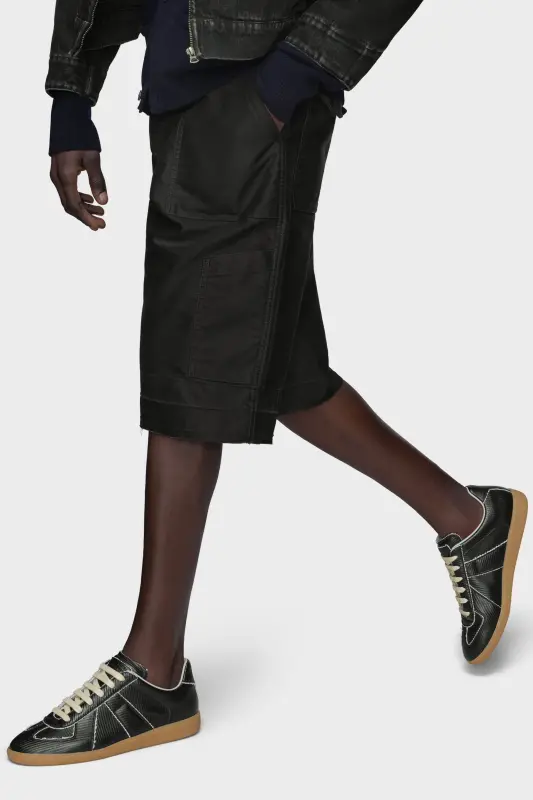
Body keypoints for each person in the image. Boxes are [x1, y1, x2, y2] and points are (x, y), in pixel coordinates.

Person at [7, 0, 527, 767]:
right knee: (273, 363)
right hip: (182, 84)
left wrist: (297, 71)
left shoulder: (270, 86)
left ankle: (153, 671)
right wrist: (71, 96)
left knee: (195, 361)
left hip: (255, 85)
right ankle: (469, 518)